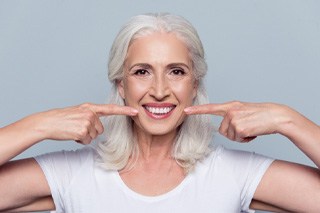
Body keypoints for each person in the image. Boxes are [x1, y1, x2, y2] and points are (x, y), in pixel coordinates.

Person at [0, 13, 319, 212]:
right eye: (141, 72)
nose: (160, 89)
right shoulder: (72, 175)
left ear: (194, 84)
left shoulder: (231, 174)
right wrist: (38, 125)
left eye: (176, 71)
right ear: (120, 84)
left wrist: (285, 119)